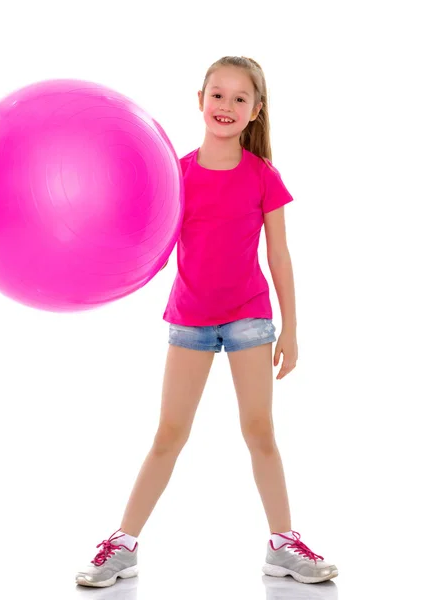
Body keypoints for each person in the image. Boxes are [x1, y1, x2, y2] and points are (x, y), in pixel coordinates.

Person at [75, 56, 338, 588]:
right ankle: (121, 546)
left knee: (260, 431)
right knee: (169, 433)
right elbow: (143, 236)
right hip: (191, 320)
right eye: (218, 95)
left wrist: (290, 329)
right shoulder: (177, 172)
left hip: (248, 319)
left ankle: (283, 544)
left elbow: (279, 257)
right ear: (200, 100)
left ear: (255, 112)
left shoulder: (263, 176)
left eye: (240, 99)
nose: (226, 106)